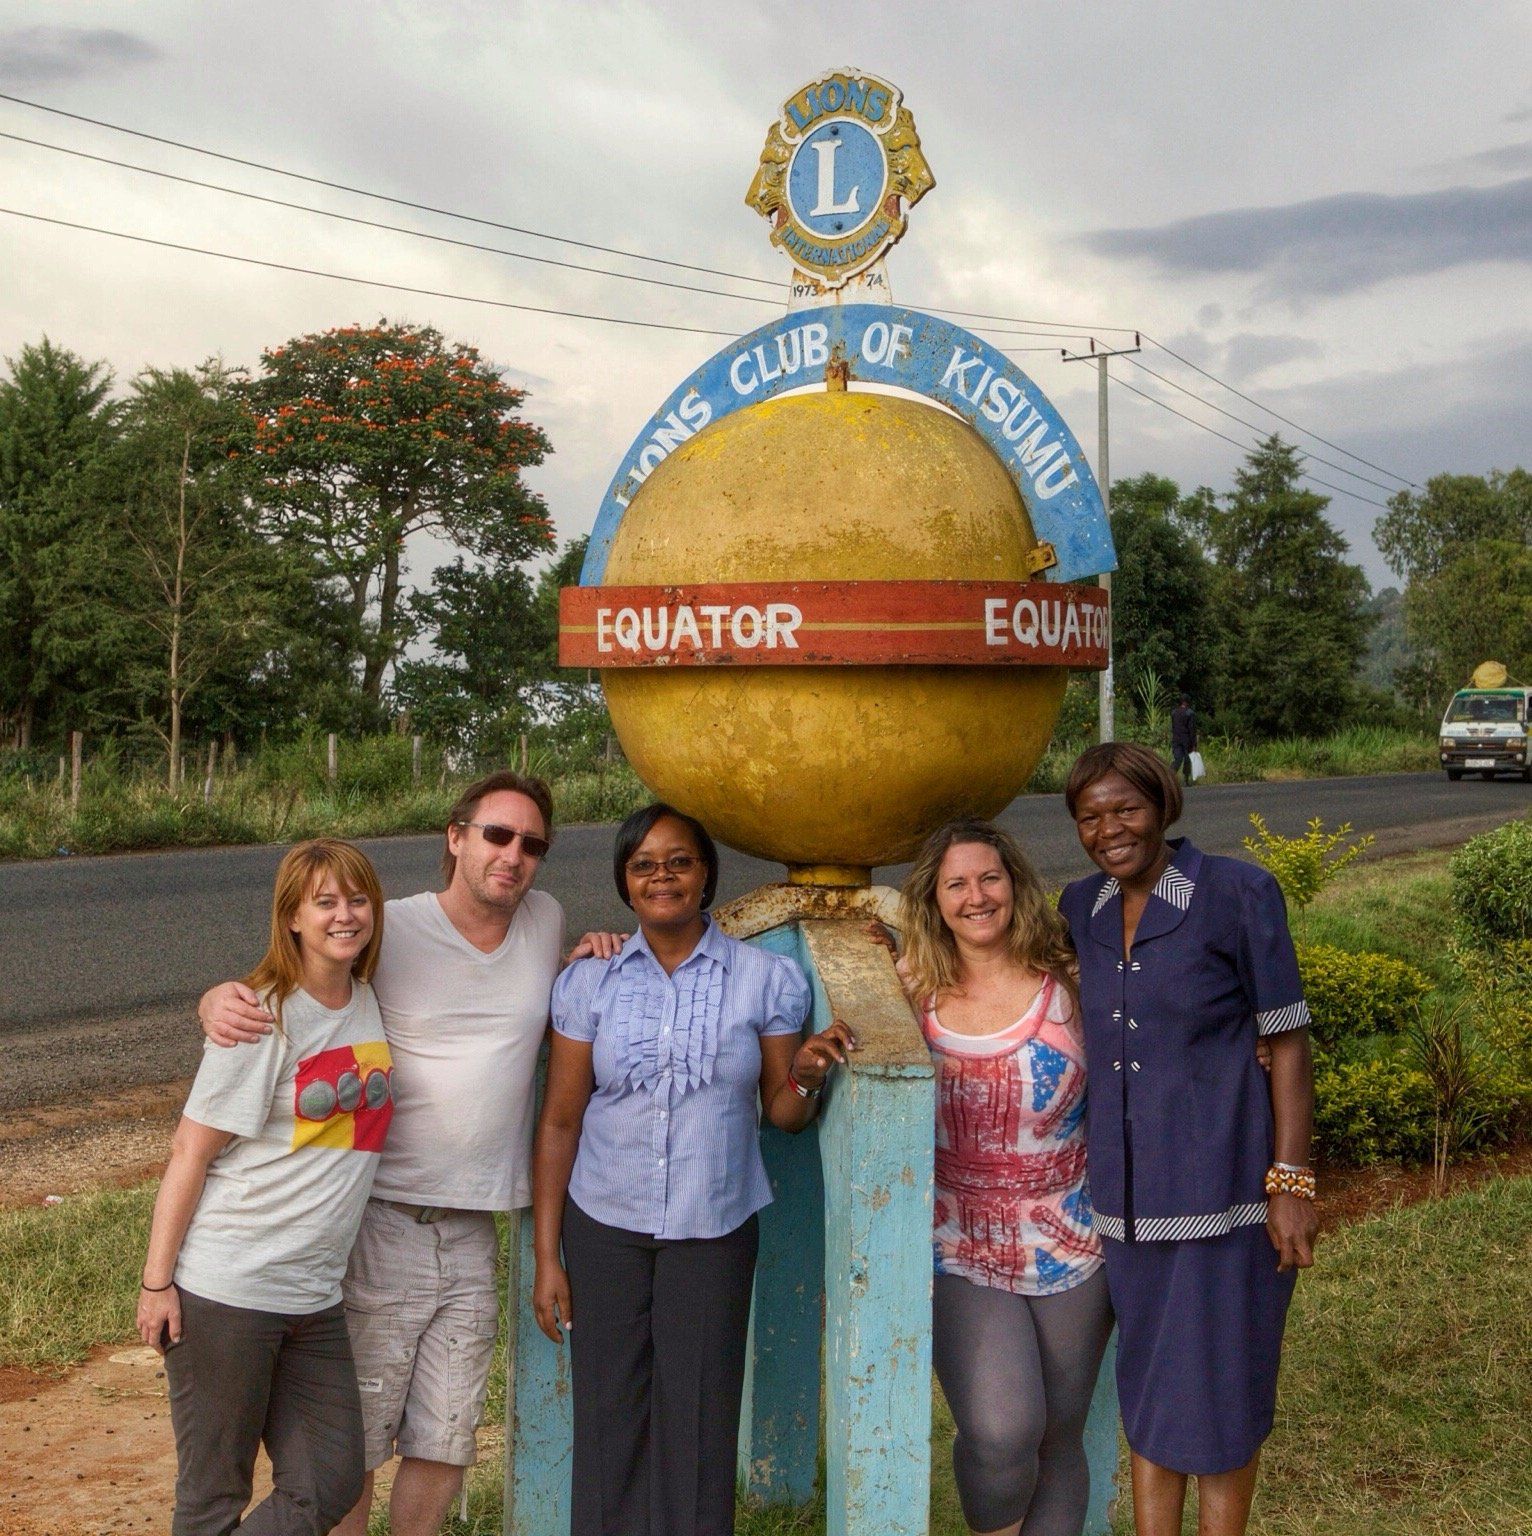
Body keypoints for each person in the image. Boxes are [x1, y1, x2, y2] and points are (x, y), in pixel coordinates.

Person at [200, 770, 613, 1536]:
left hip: (476, 1226)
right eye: (497, 835)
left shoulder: (546, 918)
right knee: (356, 1437)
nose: (513, 856)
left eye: (532, 844)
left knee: (448, 1431)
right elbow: (299, 973)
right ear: (455, 838)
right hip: (382, 1219)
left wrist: (593, 952)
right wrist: (218, 997)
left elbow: (536, 1005)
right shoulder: (393, 927)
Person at [531, 802, 857, 1536]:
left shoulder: (764, 980)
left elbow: (784, 1113)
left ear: (705, 872)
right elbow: (559, 1121)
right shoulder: (592, 982)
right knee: (609, 1418)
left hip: (714, 1226)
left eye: (678, 860)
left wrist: (805, 1072)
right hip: (603, 1222)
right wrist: (547, 1255)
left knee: (700, 1422)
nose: (663, 876)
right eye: (644, 864)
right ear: (625, 881)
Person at [1057, 743, 1317, 1536]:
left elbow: (1290, 1041)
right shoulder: (1083, 908)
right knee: (1150, 1387)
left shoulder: (1238, 892)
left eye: (1125, 809)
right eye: (1090, 817)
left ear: (1163, 804)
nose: (1109, 830)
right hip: (1127, 1206)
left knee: (1224, 1392)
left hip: (1227, 1195)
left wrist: (1291, 1183)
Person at [139, 838, 392, 1536]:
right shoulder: (261, 1016)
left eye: (357, 897)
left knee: (331, 1479)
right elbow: (191, 1147)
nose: (345, 914)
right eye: (325, 902)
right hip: (230, 1287)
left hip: (314, 1297)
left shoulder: (369, 998)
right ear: (292, 919)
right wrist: (158, 1282)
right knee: (213, 1496)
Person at [893, 820, 1112, 1536]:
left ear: (1014, 883)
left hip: (1073, 1236)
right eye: (956, 884)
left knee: (1058, 1437)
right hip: (959, 1239)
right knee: (1000, 1433)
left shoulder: (1070, 981)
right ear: (934, 899)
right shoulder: (908, 991)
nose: (976, 896)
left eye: (989, 878)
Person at [1169, 695, 1197, 785]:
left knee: (1177, 759)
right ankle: (1186, 780)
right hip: (1186, 740)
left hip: (1176, 739)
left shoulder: (1174, 713)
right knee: (1187, 759)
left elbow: (1173, 727)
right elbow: (1192, 729)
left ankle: (1169, 776)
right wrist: (1194, 744)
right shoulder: (1190, 713)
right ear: (1186, 702)